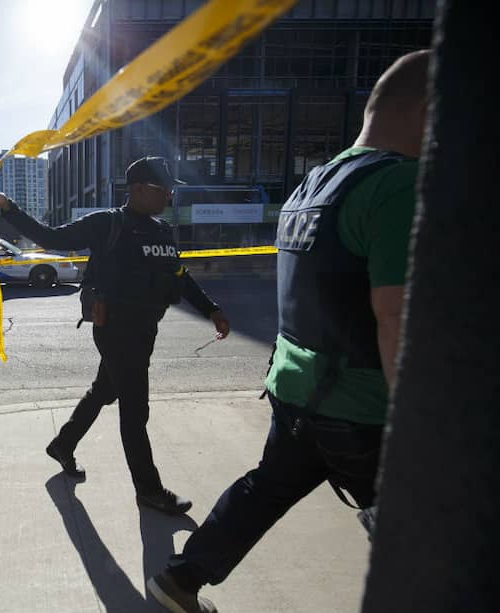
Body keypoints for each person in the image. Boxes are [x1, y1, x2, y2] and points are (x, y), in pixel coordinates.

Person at [146, 49, 431, 612]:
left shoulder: (314, 183)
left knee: (264, 490)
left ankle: (179, 581)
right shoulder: (400, 185)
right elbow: (397, 315)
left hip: (297, 389)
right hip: (364, 408)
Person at [0, 156, 230, 515]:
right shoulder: (107, 224)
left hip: (146, 328)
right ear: (138, 190)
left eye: (170, 190)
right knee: (135, 411)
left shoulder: (161, 231)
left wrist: (211, 309)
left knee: (104, 389)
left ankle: (63, 444)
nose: (169, 195)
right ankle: (148, 490)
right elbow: (54, 238)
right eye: (164, 189)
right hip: (116, 330)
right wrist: (11, 209)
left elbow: (178, 274)